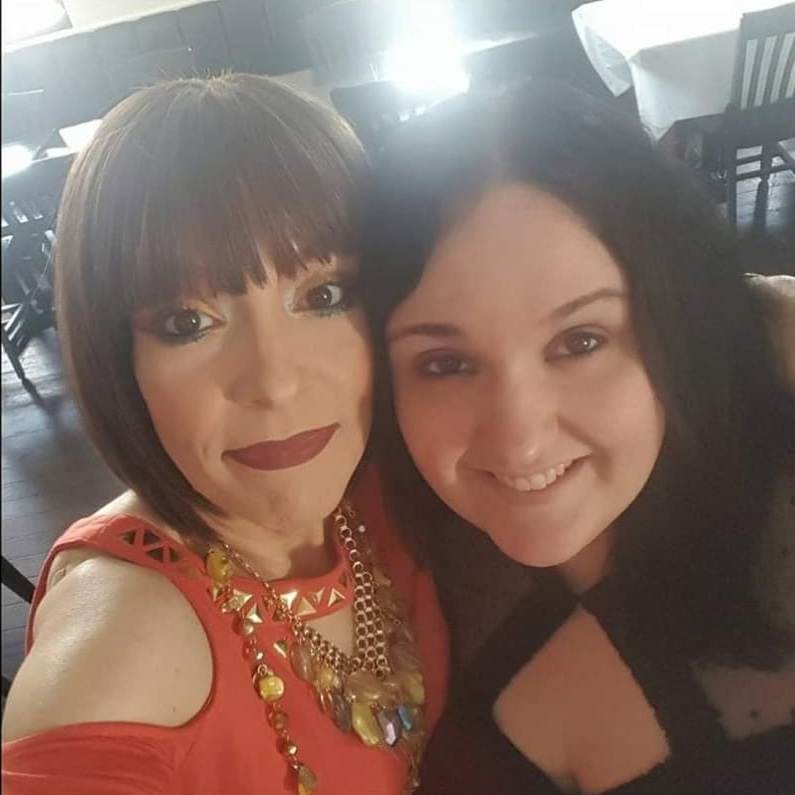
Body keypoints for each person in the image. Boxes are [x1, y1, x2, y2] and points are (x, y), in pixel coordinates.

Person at [1, 74, 448, 795]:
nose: (273, 382)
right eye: (188, 322)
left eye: (324, 295)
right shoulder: (115, 659)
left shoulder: (401, 486)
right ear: (118, 359)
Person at [360, 81, 795, 794]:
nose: (521, 440)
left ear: (672, 324)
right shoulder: (382, 584)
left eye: (580, 341)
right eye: (445, 364)